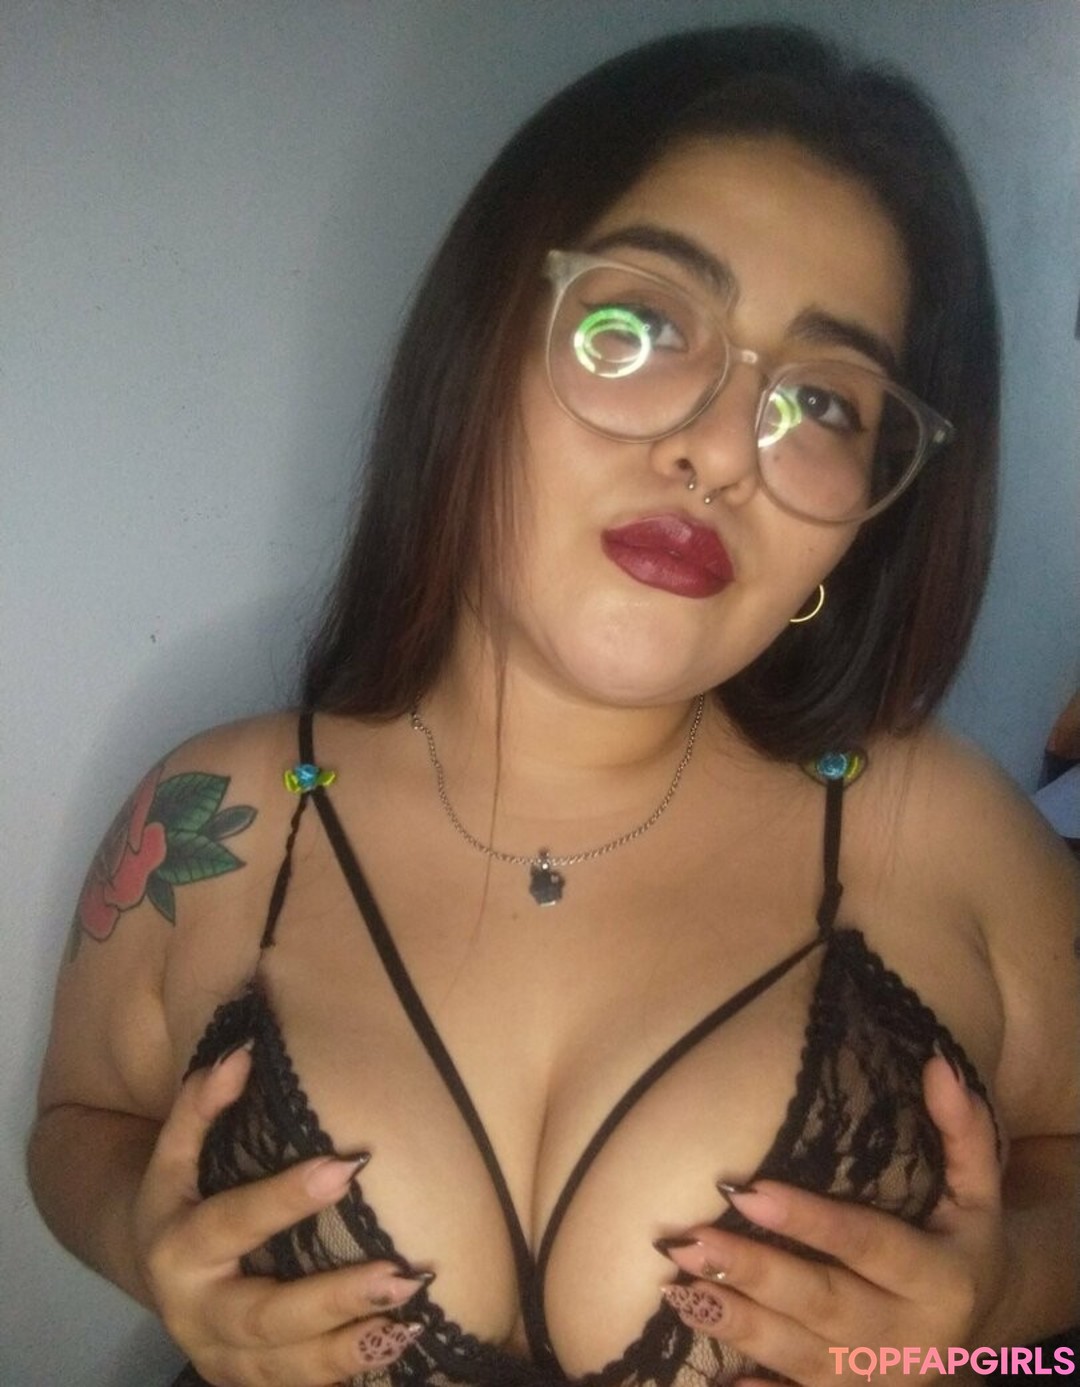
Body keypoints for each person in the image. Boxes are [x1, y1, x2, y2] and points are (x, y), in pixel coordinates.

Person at [28, 24, 1079, 1387]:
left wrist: (1004, 1315)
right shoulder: (215, 817)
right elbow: (79, 1122)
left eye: (822, 400)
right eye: (643, 327)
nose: (718, 449)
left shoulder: (946, 831)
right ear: (481, 347)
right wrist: (138, 1237)